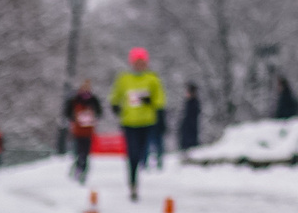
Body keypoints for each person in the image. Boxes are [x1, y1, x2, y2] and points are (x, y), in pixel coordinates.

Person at [109, 48, 167, 199]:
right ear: (132, 63)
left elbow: (159, 98)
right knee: (132, 153)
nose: (139, 65)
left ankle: (140, 166)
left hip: (147, 122)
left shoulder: (152, 79)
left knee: (142, 152)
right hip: (129, 122)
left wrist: (159, 114)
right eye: (137, 62)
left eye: (142, 62)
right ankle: (133, 183)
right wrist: (115, 105)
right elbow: (116, 94)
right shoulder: (124, 79)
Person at [63, 80, 104, 184]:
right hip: (77, 130)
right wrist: (75, 118)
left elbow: (99, 112)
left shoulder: (93, 100)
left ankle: (83, 170)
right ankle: (77, 165)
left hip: (88, 130)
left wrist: (93, 117)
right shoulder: (75, 100)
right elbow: (67, 112)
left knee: (85, 151)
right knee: (77, 150)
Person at [176, 83, 202, 156]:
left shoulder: (193, 103)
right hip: (188, 128)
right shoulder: (190, 102)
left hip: (190, 129)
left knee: (190, 145)